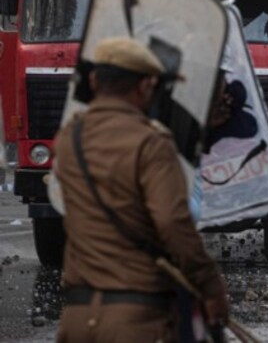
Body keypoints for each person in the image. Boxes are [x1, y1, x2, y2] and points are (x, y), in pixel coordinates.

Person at [54, 37, 228, 342]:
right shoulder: (152, 144)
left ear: (94, 80)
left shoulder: (70, 139)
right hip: (136, 321)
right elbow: (173, 223)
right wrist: (211, 287)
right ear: (146, 86)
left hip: (77, 320)